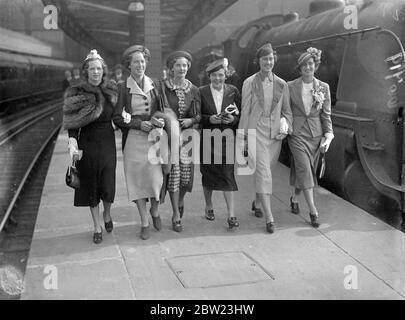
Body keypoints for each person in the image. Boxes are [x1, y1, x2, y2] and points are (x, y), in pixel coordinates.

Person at [63, 49, 118, 244]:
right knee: (91, 186)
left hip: (108, 143)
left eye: (99, 68)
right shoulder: (76, 91)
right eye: (92, 69)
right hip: (87, 143)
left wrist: (124, 119)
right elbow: (71, 121)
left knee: (108, 185)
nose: (96, 72)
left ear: (103, 70)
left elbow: (118, 115)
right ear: (86, 71)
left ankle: (107, 214)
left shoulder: (112, 89)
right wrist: (72, 141)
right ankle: (96, 226)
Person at [237, 43, 292, 234]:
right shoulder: (249, 82)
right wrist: (242, 138)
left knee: (267, 171)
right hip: (255, 133)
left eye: (270, 59)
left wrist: (287, 125)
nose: (268, 62)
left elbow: (287, 111)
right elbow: (245, 110)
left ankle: (257, 202)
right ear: (258, 61)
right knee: (263, 172)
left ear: (274, 60)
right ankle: (270, 218)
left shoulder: (282, 84)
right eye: (264, 59)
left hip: (275, 136)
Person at [113, 45, 166, 240]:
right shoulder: (122, 88)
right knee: (137, 183)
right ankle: (144, 222)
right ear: (129, 64)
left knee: (155, 180)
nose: (140, 65)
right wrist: (137, 124)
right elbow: (117, 118)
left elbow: (161, 110)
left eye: (142, 61)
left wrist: (158, 119)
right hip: (134, 141)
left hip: (153, 139)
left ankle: (155, 211)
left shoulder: (155, 85)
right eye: (136, 61)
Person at [288, 47, 334, 228]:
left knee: (306, 171)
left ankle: (294, 198)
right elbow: (285, 109)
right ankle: (313, 210)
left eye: (310, 63)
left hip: (315, 135)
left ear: (315, 66)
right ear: (299, 68)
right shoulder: (290, 86)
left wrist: (328, 136)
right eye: (304, 65)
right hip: (297, 134)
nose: (308, 67)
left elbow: (326, 115)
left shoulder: (324, 87)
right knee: (305, 169)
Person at [161, 51, 201, 232]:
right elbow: (158, 109)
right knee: (174, 176)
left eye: (184, 65)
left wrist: (191, 121)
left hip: (188, 137)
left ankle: (181, 199)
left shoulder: (193, 90)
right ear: (172, 68)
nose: (182, 69)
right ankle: (176, 213)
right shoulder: (163, 87)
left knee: (186, 177)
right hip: (170, 137)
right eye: (178, 65)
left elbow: (198, 114)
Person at [199, 59, 241, 229]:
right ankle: (209, 205)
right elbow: (196, 115)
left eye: (221, 75)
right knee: (208, 175)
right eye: (215, 75)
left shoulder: (233, 91)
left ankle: (231, 215)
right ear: (209, 76)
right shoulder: (201, 92)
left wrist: (234, 119)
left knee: (227, 174)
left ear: (226, 76)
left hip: (227, 138)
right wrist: (209, 118)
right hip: (208, 137)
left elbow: (241, 112)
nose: (218, 79)